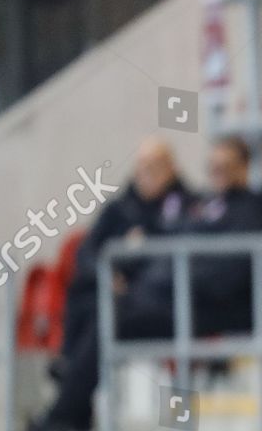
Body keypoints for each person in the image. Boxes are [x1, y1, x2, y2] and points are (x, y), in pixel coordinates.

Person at [30, 137, 262, 431]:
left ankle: (65, 413)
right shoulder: (203, 207)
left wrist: (158, 284)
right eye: (213, 167)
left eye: (226, 166)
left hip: (207, 309)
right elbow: (156, 249)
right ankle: (72, 406)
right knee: (94, 302)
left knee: (112, 317)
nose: (218, 173)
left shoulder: (252, 212)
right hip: (167, 299)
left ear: (244, 168)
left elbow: (222, 275)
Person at [54, 136, 193, 381]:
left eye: (154, 166)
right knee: (84, 296)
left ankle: (72, 381)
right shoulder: (119, 208)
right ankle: (70, 373)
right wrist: (106, 276)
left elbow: (178, 255)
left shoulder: (185, 206)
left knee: (106, 314)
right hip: (110, 291)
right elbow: (86, 252)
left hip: (155, 300)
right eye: (141, 166)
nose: (146, 173)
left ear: (171, 168)